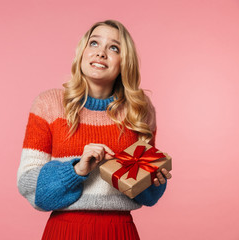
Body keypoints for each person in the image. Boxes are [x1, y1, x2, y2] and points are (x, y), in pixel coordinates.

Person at [17, 20, 172, 240]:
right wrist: (77, 170)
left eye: (114, 48)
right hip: (64, 231)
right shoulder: (48, 104)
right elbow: (29, 186)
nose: (101, 53)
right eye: (94, 43)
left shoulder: (139, 111)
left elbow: (145, 195)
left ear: (124, 62)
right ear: (82, 52)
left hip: (120, 232)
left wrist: (154, 182)